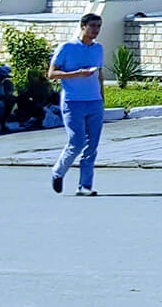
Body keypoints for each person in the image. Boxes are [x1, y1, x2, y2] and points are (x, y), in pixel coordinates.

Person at [49, 12, 106, 197]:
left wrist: (102, 97)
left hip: (94, 101)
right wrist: (77, 73)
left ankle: (85, 186)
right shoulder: (66, 47)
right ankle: (58, 172)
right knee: (77, 141)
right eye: (93, 26)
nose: (96, 30)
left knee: (92, 145)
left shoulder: (98, 49)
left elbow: (100, 74)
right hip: (73, 102)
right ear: (83, 26)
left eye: (98, 26)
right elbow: (52, 74)